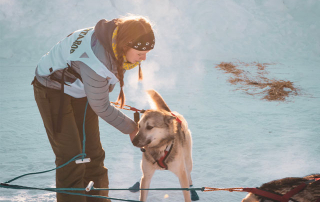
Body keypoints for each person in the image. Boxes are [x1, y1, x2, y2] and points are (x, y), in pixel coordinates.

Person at [32, 15, 155, 202]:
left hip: (79, 88)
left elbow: (100, 92)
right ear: (124, 46)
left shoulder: (114, 41)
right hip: (52, 89)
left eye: (147, 52)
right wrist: (132, 129)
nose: (144, 58)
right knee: (72, 157)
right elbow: (101, 106)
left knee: (93, 154)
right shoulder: (96, 61)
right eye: (140, 52)